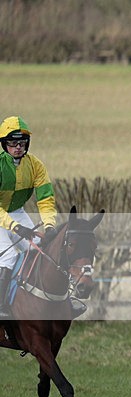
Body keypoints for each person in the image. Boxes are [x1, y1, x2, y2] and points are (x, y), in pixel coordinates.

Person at [0, 116, 76, 319]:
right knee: (9, 257)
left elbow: (46, 198)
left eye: (22, 143)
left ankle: (56, 302)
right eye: (12, 143)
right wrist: (15, 227)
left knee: (41, 251)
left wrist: (50, 226)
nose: (18, 147)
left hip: (16, 212)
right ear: (4, 144)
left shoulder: (35, 165)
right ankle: (2, 307)